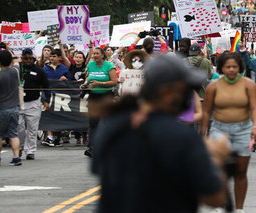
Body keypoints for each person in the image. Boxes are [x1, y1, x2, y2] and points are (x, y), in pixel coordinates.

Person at [91, 53, 230, 212]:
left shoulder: (114, 123)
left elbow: (98, 167)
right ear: (166, 92)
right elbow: (214, 197)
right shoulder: (180, 135)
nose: (187, 96)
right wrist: (217, 157)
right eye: (185, 89)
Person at [201, 52, 256, 213]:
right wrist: (203, 133)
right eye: (228, 67)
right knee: (219, 170)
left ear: (239, 67)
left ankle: (239, 208)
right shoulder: (213, 86)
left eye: (234, 66)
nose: (231, 70)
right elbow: (206, 112)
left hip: (243, 130)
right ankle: (220, 205)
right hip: (219, 129)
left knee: (241, 172)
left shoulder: (249, 85)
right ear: (221, 68)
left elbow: (255, 107)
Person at [0, 49, 22, 166]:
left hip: (1, 108)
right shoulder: (15, 71)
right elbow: (16, 61)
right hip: (15, 108)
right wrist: (9, 51)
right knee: (13, 134)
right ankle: (16, 157)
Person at [83, 47, 118, 157]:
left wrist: (99, 84)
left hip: (106, 96)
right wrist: (85, 83)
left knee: (107, 122)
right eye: (94, 54)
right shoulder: (91, 65)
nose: (94, 55)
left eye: (97, 53)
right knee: (93, 122)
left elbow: (114, 82)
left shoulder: (109, 66)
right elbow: (88, 77)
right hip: (93, 96)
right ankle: (92, 146)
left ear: (102, 55)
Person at [18, 48, 50, 160]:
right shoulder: (16, 69)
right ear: (21, 57)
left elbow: (46, 86)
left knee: (32, 128)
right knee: (19, 127)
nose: (27, 60)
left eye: (30, 58)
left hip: (33, 102)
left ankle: (30, 151)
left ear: (33, 58)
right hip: (18, 102)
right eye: (25, 58)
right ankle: (20, 147)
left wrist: (47, 100)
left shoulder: (39, 71)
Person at [42, 49, 70, 147]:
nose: (52, 58)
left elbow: (70, 83)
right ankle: (49, 137)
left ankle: (56, 137)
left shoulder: (64, 68)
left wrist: (65, 80)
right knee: (48, 115)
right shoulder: (45, 69)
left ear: (60, 58)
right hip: (48, 96)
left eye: (54, 56)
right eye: (51, 56)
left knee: (58, 116)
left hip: (61, 97)